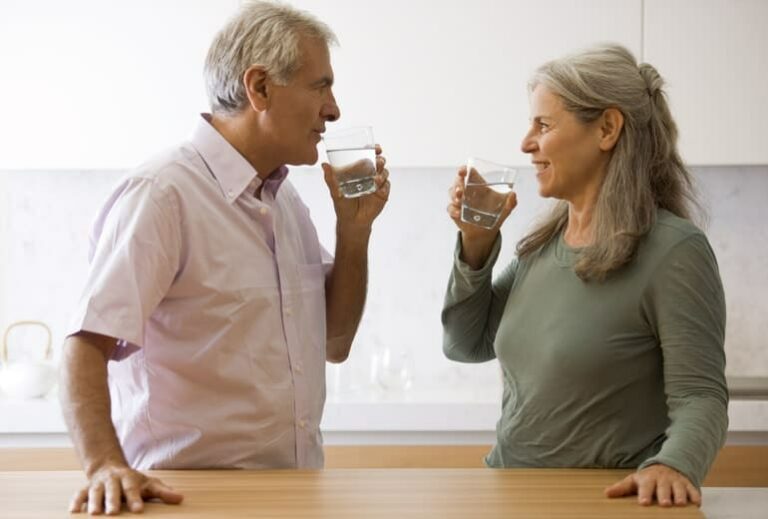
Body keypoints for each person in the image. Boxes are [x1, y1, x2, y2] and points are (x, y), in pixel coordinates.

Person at [59, 1, 390, 515]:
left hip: (294, 497)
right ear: (259, 87)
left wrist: (354, 231)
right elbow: (84, 344)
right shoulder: (164, 194)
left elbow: (336, 342)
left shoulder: (285, 202)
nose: (334, 109)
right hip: (189, 502)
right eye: (319, 85)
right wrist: (104, 464)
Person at [442, 43, 727, 508]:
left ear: (607, 129)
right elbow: (464, 345)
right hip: (509, 497)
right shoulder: (541, 248)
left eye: (544, 125)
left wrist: (673, 464)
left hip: (603, 504)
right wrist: (476, 245)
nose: (526, 143)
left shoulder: (674, 251)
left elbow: (701, 396)